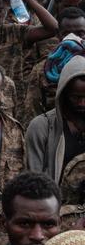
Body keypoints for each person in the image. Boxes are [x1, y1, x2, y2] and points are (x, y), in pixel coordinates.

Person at [26, 55, 85, 183]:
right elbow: (34, 177)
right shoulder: (42, 127)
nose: (82, 103)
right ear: (63, 93)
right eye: (75, 97)